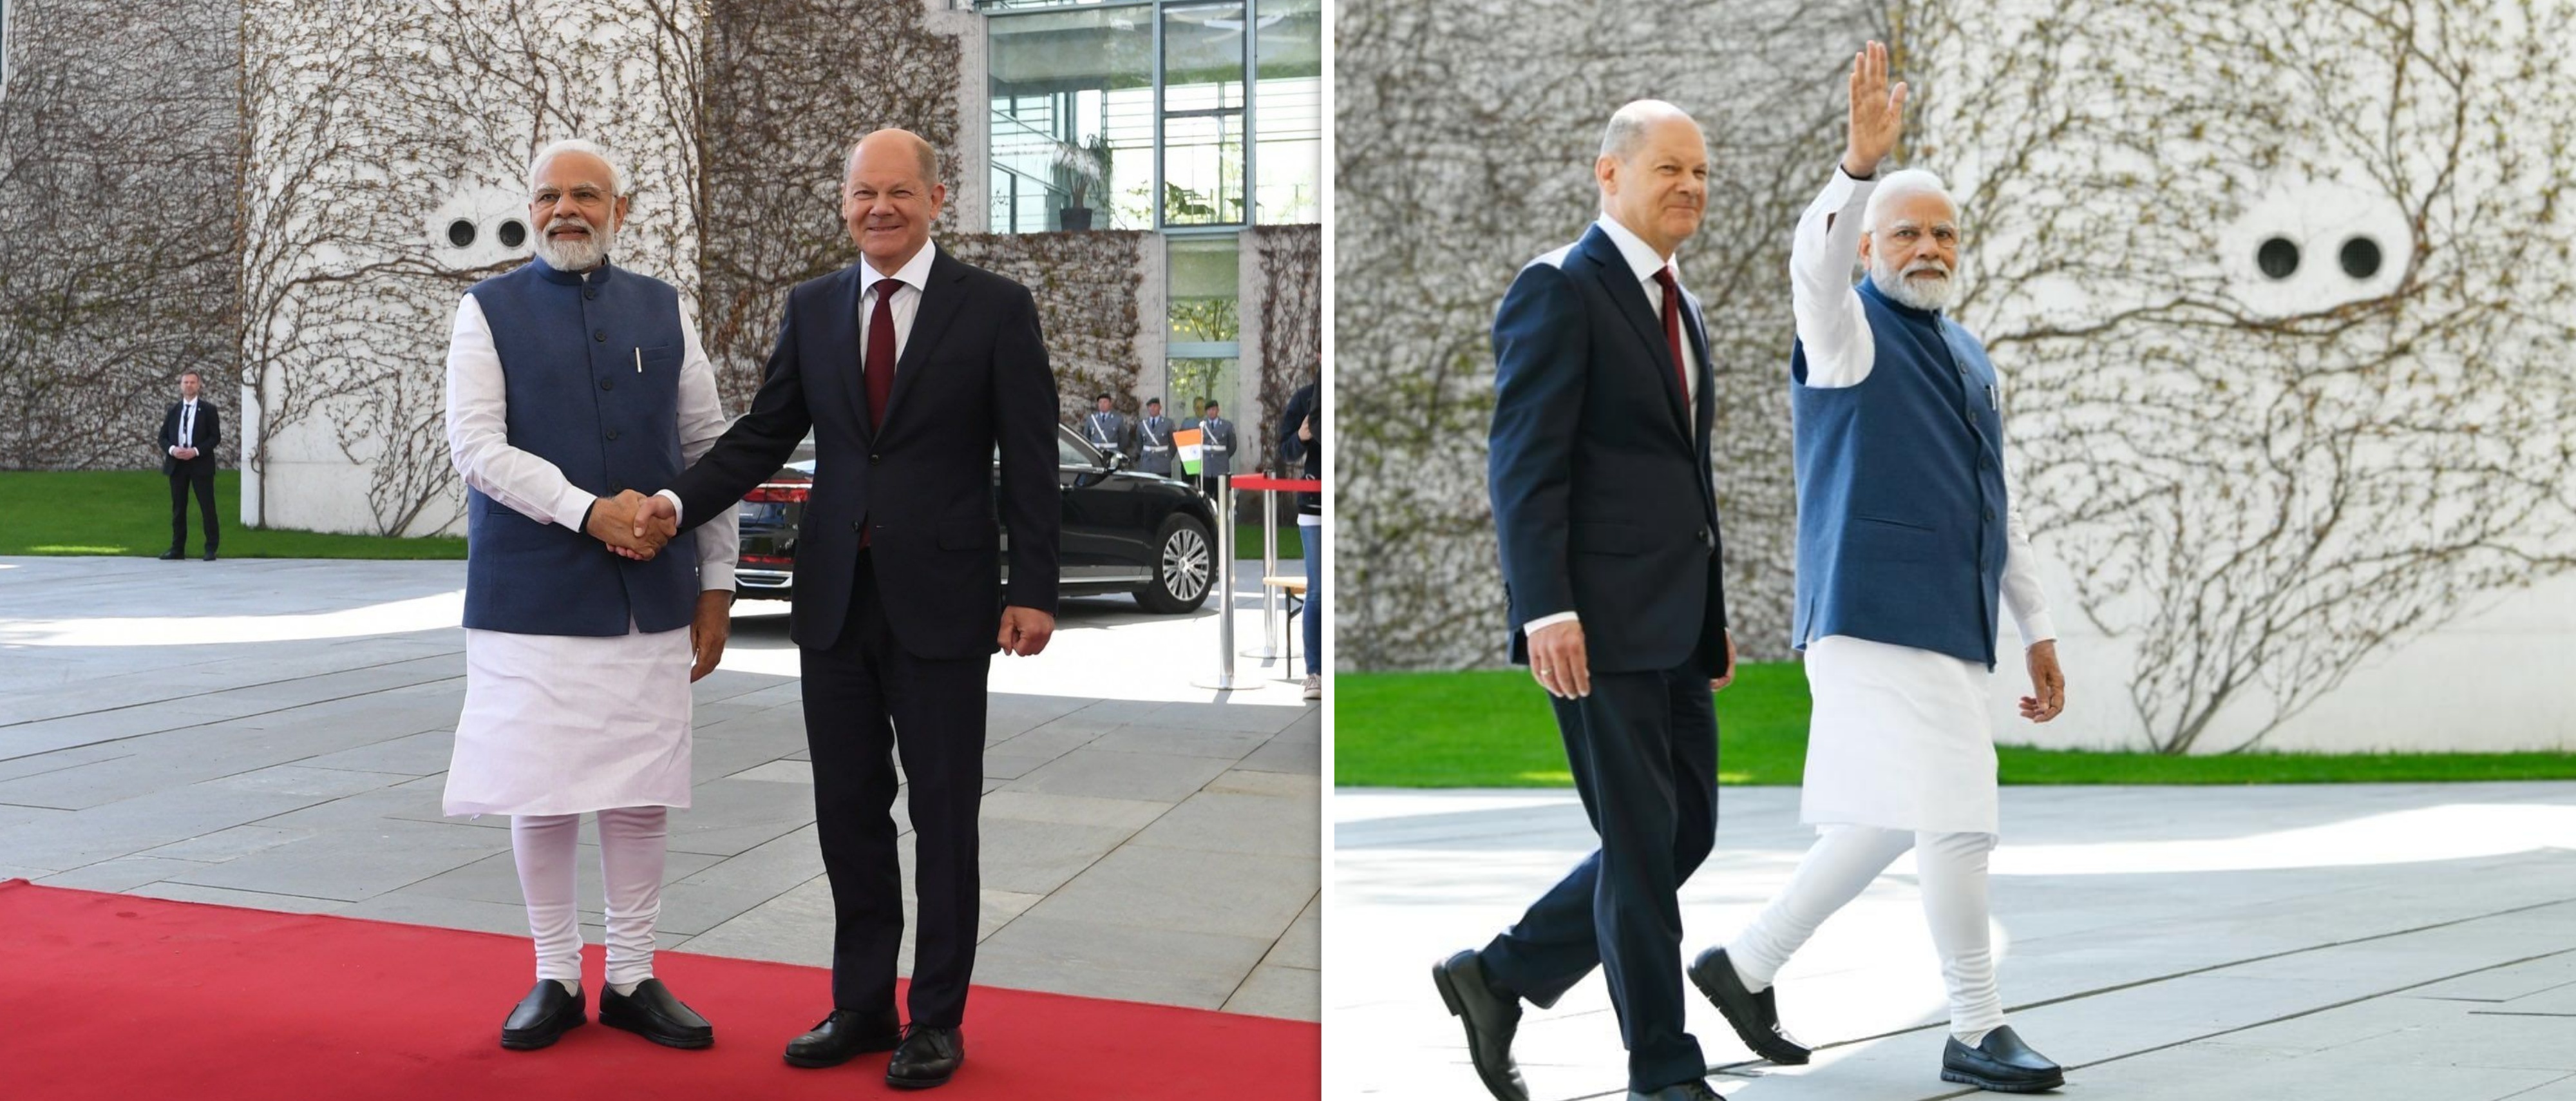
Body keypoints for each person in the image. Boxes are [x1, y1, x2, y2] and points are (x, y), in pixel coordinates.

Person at [635, 128, 1060, 1091]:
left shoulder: (993, 309)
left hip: (947, 604)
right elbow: (763, 435)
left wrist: (1034, 586)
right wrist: (672, 506)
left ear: (937, 199)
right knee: (848, 813)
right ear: (843, 203)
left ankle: (937, 1019)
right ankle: (864, 1003)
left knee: (945, 814)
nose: (880, 209)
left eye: (899, 193)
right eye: (864, 193)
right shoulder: (815, 307)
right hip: (833, 601)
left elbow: (1030, 457)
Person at [1687, 43, 2067, 1095]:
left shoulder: (1973, 351)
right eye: (1905, 231)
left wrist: (2034, 626)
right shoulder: (1847, 332)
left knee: (1891, 814)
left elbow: (1999, 505)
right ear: (1868, 249)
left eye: (1944, 231)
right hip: (1872, 616)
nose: (1929, 245)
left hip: (1946, 621)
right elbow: (1811, 266)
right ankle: (1977, 1024)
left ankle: (1746, 962)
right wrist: (1857, 170)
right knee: (1960, 813)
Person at [1434, 100, 1737, 1101]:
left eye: (1701, 172)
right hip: (1595, 626)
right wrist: (1544, 608)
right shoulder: (1560, 288)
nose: (1691, 186)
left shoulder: (1680, 303)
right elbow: (1524, 465)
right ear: (1608, 174)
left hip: (1677, 621)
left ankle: (1503, 972)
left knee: (1685, 830)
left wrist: (1715, 619)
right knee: (1645, 847)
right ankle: (1663, 1067)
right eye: (1670, 169)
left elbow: (1683, 478)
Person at [437, 139, 738, 1054]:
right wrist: (587, 512)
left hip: (651, 599)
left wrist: (719, 583)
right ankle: (556, 974)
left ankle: (636, 975)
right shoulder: (484, 311)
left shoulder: (664, 308)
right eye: (548, 196)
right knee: (543, 788)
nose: (565, 209)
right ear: (531, 210)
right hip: (531, 598)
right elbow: (476, 449)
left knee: (640, 789)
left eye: (585, 195)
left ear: (620, 208)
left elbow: (709, 451)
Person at [1276, 379, 1321, 701]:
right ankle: (1314, 673)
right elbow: (1285, 450)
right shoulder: (1305, 397)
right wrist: (1302, 437)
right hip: (1315, 507)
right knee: (1317, 590)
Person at [157, 371, 221, 561]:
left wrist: (196, 451)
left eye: (193, 382)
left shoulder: (208, 410)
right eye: (186, 382)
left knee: (207, 506)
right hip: (177, 465)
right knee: (178, 508)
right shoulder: (174, 410)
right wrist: (172, 450)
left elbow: (215, 437)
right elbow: (162, 438)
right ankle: (177, 548)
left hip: (200, 464)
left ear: (199, 385)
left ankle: (211, 548)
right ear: (180, 385)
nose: (189, 385)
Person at [1186, 399, 1235, 499]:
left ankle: (1221, 515)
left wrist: (1223, 457)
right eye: (1209, 410)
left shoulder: (1227, 426)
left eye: (1213, 409)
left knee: (1221, 496)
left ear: (1218, 410)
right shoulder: (1200, 426)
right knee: (1206, 497)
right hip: (1205, 467)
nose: (1211, 412)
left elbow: (1233, 446)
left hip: (1221, 467)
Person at [1082, 392, 1132, 461]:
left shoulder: (1118, 419)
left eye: (1105, 402)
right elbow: (1086, 437)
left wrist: (1117, 451)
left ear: (1110, 404)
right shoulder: (1091, 419)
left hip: (1112, 454)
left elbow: (1124, 439)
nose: (1102, 405)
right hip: (1096, 453)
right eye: (1100, 402)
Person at [1135, 397, 1177, 477]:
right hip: (1147, 465)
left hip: (1163, 464)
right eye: (1150, 406)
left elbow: (1174, 444)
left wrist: (1168, 457)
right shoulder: (1142, 425)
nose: (1152, 408)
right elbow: (1140, 444)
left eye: (1155, 406)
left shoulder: (1168, 423)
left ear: (1160, 407)